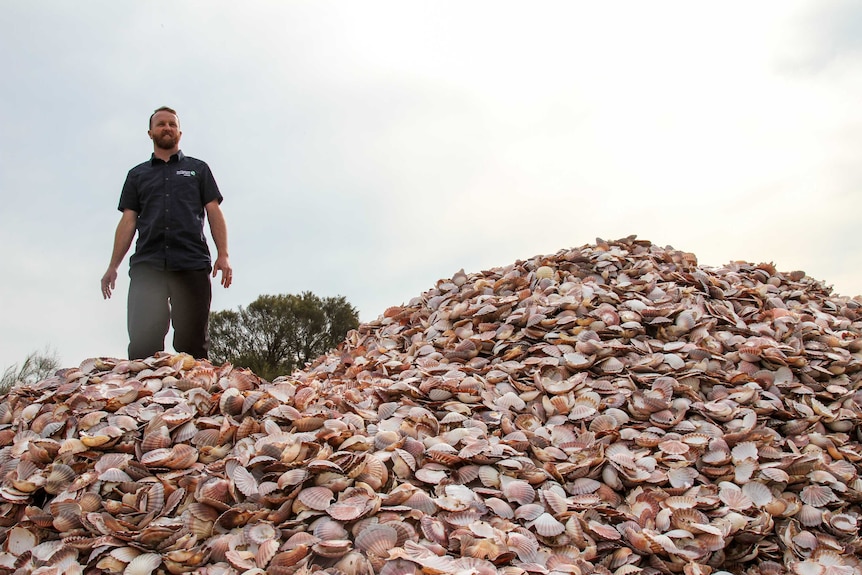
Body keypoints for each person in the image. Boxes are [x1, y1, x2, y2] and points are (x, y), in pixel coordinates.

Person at [100, 106, 232, 360]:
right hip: (148, 267)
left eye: (172, 124)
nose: (167, 128)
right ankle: (142, 397)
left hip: (191, 264)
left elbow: (214, 212)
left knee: (192, 344)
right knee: (142, 344)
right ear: (150, 133)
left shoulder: (198, 169)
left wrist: (223, 254)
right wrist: (112, 266)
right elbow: (128, 221)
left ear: (180, 132)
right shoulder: (137, 175)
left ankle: (193, 397)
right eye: (161, 124)